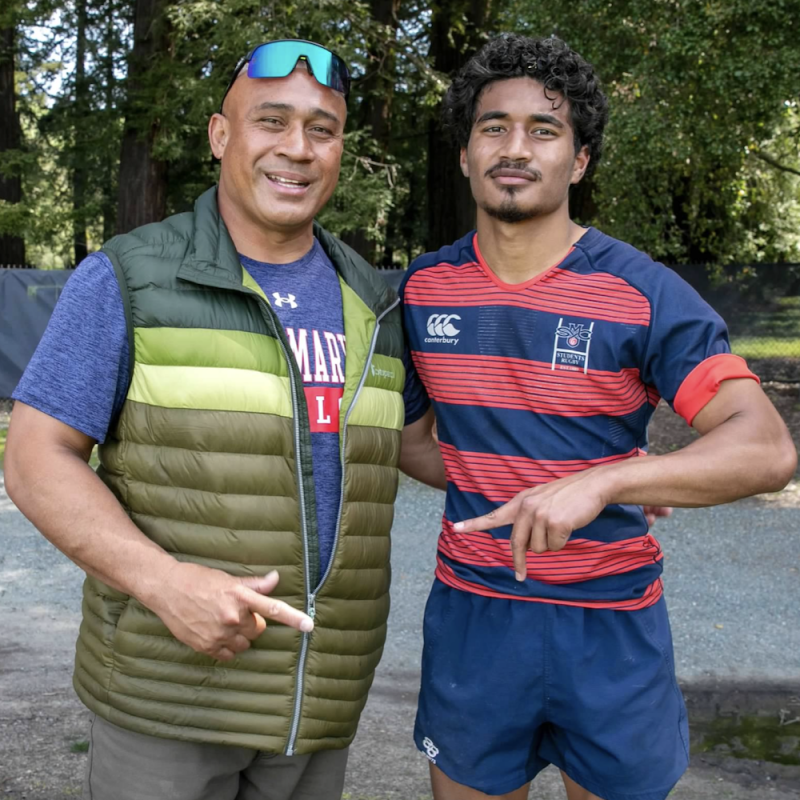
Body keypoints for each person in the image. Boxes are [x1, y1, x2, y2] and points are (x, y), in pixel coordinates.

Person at [5, 39, 416, 800]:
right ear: (220, 135)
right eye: (271, 121)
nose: (297, 148)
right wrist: (164, 584)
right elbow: (34, 457)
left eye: (322, 129)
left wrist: (601, 473)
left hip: (315, 709)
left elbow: (426, 447)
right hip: (169, 702)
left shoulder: (376, 300)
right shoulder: (129, 278)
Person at [398, 33, 798, 800]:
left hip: (609, 625)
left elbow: (768, 447)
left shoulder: (643, 293)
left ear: (578, 161)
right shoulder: (422, 291)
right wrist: (523, 485)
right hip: (476, 621)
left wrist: (607, 482)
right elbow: (412, 447)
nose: (516, 148)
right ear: (465, 154)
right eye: (494, 127)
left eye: (544, 130)